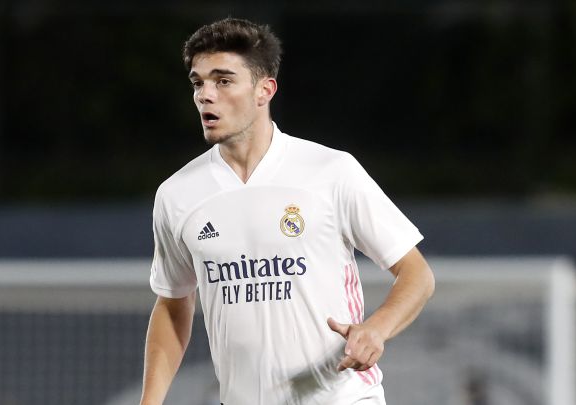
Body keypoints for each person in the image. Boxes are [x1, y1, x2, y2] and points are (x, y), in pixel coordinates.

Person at [140, 17, 435, 405]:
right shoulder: (177, 195)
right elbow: (173, 304)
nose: (205, 95)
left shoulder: (331, 171)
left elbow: (417, 274)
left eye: (223, 81)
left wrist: (376, 329)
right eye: (198, 82)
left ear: (264, 90)